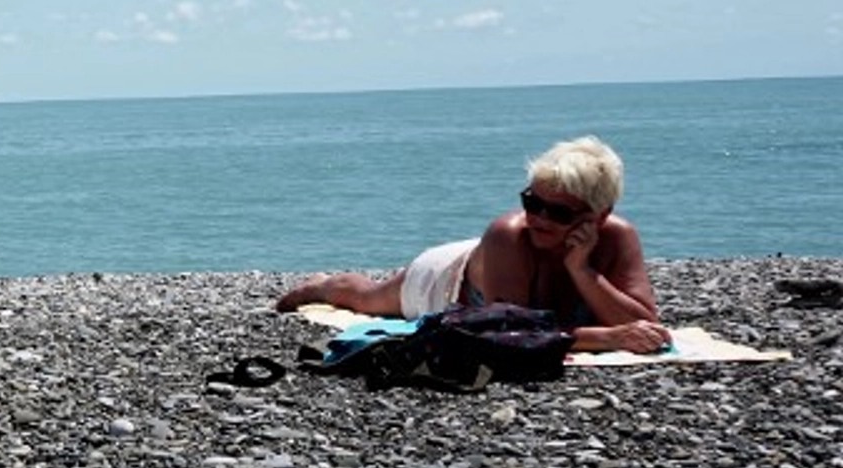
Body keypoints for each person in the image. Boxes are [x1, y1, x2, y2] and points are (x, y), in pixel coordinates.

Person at [275, 136, 671, 354]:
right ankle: (322, 285)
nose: (540, 219)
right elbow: (510, 329)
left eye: (559, 213)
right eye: (532, 203)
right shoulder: (510, 234)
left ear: (598, 216)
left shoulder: (618, 235)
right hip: (449, 278)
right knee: (366, 297)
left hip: (495, 266)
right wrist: (607, 337)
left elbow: (646, 322)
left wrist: (582, 271)